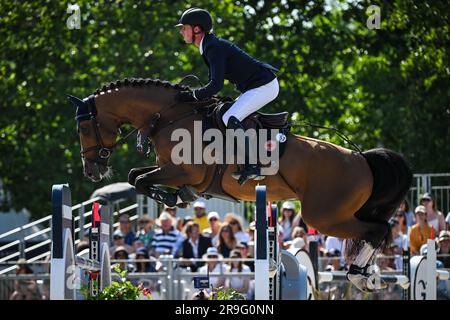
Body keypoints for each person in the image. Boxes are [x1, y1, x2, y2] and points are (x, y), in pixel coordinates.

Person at [176, 8, 279, 184]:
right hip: (255, 86)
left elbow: (215, 85)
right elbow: (213, 84)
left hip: (264, 85)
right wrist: (194, 95)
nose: (181, 31)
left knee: (229, 117)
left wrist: (192, 96)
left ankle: (253, 165)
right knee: (226, 115)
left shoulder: (213, 47)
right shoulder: (209, 45)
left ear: (196, 29)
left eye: (184, 27)